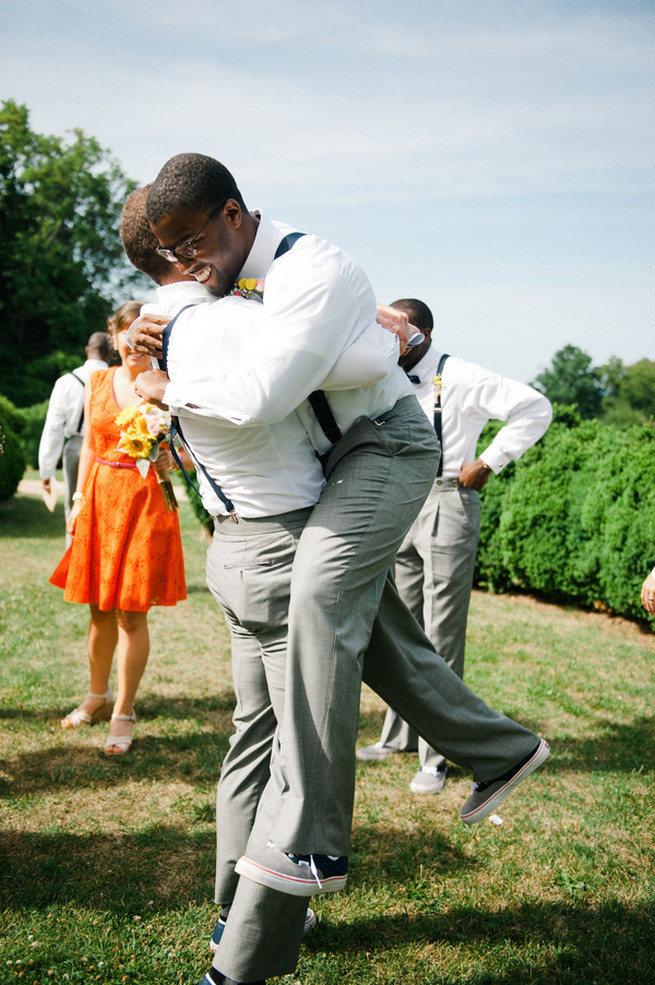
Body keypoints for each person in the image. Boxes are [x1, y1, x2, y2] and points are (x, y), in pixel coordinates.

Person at [131, 153, 549, 985]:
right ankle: (498, 749)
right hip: (296, 502)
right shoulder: (210, 301)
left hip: (378, 454)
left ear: (233, 213)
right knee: (359, 647)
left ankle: (302, 856)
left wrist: (159, 379)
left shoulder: (305, 272)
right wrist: (163, 342)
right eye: (170, 252)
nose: (186, 261)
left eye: (192, 242)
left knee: (322, 623)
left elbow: (291, 388)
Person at [357, 299, 553, 794]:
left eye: (395, 337)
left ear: (418, 334)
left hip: (448, 500)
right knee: (403, 627)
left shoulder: (461, 375)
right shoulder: (385, 373)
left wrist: (489, 461)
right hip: (397, 501)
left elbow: (535, 406)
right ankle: (397, 736)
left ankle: (437, 757)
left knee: (442, 632)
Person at [49, 302, 186, 755]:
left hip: (146, 501)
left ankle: (123, 710)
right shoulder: (98, 380)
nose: (134, 343)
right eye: (126, 334)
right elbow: (89, 445)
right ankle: (95, 694)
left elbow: (193, 450)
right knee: (98, 609)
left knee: (131, 612)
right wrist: (77, 499)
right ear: (115, 337)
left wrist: (173, 458)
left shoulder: (169, 385)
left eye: (143, 336)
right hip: (101, 498)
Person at [38, 332, 111, 545]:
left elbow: (53, 428)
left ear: (87, 350)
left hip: (75, 447)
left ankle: (73, 564)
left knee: (74, 508)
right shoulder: (116, 379)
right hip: (108, 449)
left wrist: (46, 471)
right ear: (111, 354)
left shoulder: (66, 382)